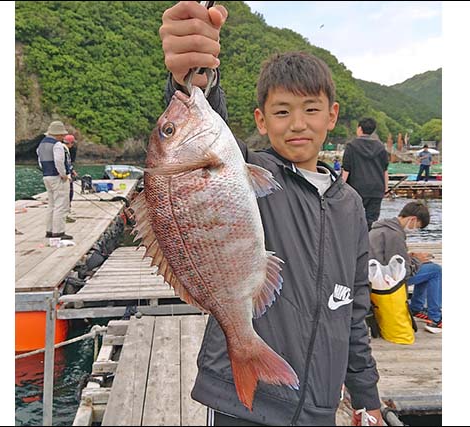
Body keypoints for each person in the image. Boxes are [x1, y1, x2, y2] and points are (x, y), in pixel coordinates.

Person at [160, 3, 382, 426]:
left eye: (311, 109)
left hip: (318, 404)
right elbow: (205, 146)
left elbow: (354, 307)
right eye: (282, 111)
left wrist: (365, 394)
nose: (297, 123)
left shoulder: (350, 205)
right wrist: (193, 76)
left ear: (332, 116)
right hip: (243, 402)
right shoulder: (247, 174)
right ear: (261, 120)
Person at [368, 201, 442, 333]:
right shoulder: (395, 235)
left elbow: (389, 257)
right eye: (417, 226)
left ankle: (416, 307)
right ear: (412, 219)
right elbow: (404, 272)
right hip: (386, 281)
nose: (415, 230)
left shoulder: (383, 227)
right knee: (435, 271)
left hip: (374, 274)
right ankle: (435, 318)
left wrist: (410, 257)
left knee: (428, 267)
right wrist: (417, 260)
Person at [340, 118, 389, 230]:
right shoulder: (381, 147)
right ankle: (369, 244)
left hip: (356, 188)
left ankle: (356, 245)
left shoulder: (351, 146)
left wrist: (340, 187)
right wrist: (385, 188)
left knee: (354, 218)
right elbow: (384, 170)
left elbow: (346, 169)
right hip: (376, 189)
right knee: (371, 220)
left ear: (360, 129)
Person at [36, 120, 72, 240]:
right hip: (57, 177)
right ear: (57, 134)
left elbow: (40, 162)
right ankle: (59, 232)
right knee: (60, 204)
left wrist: (47, 170)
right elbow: (59, 161)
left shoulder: (41, 145)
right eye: (62, 135)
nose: (63, 137)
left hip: (46, 176)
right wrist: (63, 174)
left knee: (51, 204)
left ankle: (49, 230)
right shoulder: (57, 145)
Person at [63, 134, 78, 223]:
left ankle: (68, 209)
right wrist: (68, 174)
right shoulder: (64, 150)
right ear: (70, 143)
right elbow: (65, 163)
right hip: (65, 175)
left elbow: (68, 163)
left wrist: (72, 170)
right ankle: (66, 213)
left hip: (67, 173)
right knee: (68, 193)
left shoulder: (66, 150)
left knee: (70, 192)